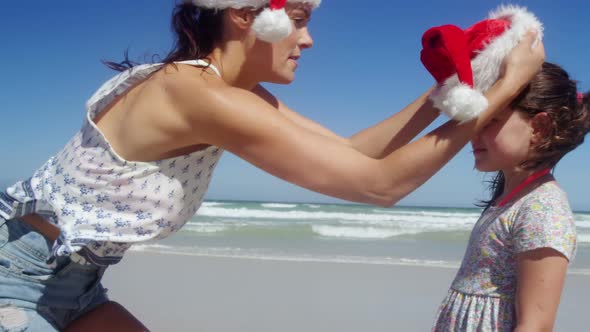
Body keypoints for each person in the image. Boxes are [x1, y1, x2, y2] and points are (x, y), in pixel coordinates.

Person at [0, 1, 544, 331]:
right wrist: (512, 82)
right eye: (300, 21)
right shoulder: (196, 96)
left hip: (75, 282)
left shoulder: (225, 92)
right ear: (245, 16)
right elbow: (381, 186)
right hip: (16, 279)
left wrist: (446, 92)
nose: (308, 39)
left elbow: (356, 154)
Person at [432, 63, 589, 331]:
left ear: (538, 127)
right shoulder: (508, 198)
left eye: (489, 120)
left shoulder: (543, 207)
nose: (473, 133)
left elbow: (536, 324)